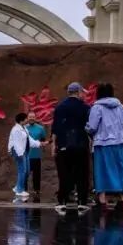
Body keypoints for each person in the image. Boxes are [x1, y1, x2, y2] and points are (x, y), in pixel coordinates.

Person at [87, 83, 123, 211]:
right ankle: (121, 200)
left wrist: (87, 129)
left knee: (102, 171)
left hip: (103, 143)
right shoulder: (121, 107)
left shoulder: (97, 107)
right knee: (120, 171)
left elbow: (92, 127)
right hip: (119, 143)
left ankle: (102, 201)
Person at [51, 82, 91, 214]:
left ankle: (62, 201)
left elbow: (55, 128)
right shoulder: (85, 107)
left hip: (63, 145)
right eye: (82, 92)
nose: (83, 95)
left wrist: (53, 145)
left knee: (64, 174)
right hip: (81, 145)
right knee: (82, 174)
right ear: (78, 92)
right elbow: (90, 127)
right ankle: (82, 202)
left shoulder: (60, 107)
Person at [8, 112, 42, 200]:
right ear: (21, 120)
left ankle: (17, 187)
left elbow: (29, 140)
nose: (27, 120)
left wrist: (39, 144)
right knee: (22, 170)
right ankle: (20, 190)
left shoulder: (24, 129)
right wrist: (20, 154)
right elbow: (16, 143)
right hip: (19, 152)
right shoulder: (16, 130)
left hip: (25, 152)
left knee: (26, 170)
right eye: (26, 118)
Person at [25, 112, 47, 197]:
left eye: (33, 117)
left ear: (35, 118)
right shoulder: (24, 128)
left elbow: (43, 140)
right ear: (27, 118)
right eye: (30, 117)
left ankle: (37, 189)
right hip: (26, 155)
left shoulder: (40, 128)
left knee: (37, 174)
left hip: (37, 155)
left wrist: (43, 148)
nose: (31, 118)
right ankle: (24, 190)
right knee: (25, 173)